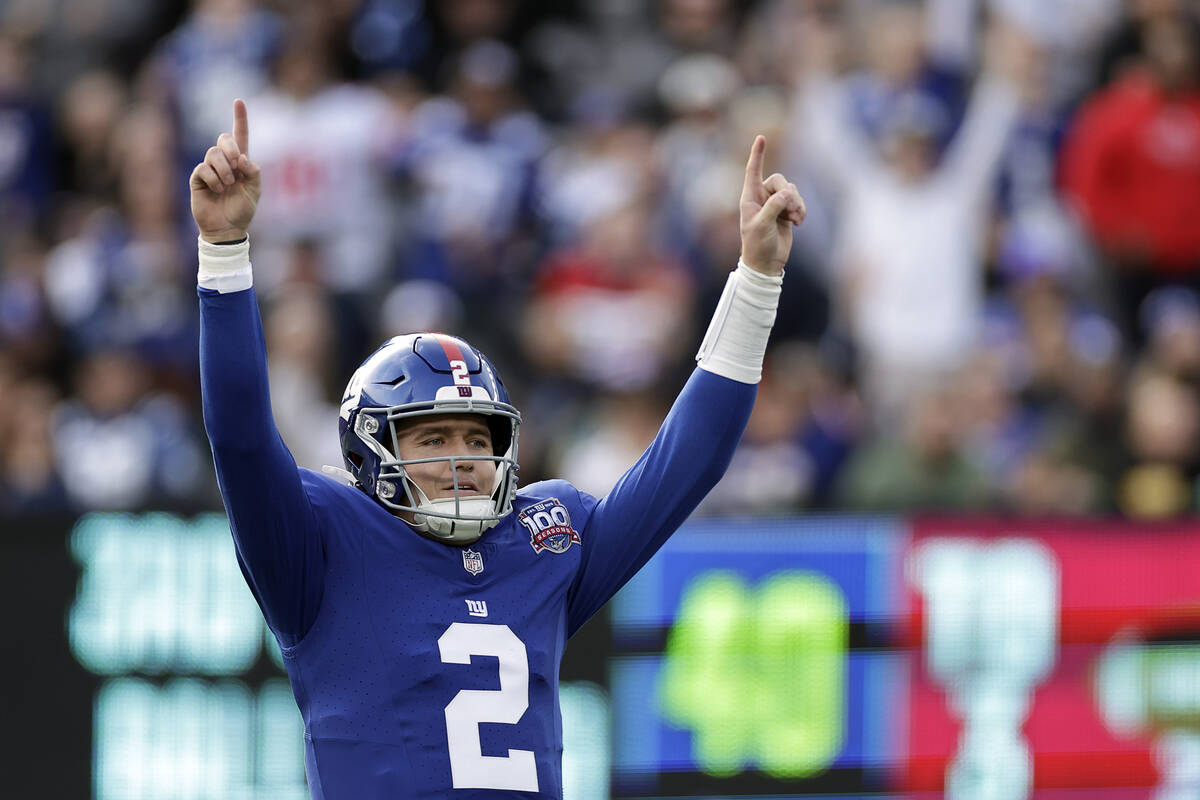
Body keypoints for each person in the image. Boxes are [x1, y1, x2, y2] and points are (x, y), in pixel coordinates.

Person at [192, 98, 805, 798]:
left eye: (476, 437)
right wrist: (224, 251)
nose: (461, 456)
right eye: (432, 437)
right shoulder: (321, 544)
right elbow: (239, 434)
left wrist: (756, 279)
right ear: (369, 454)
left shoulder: (542, 540)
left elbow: (686, 461)